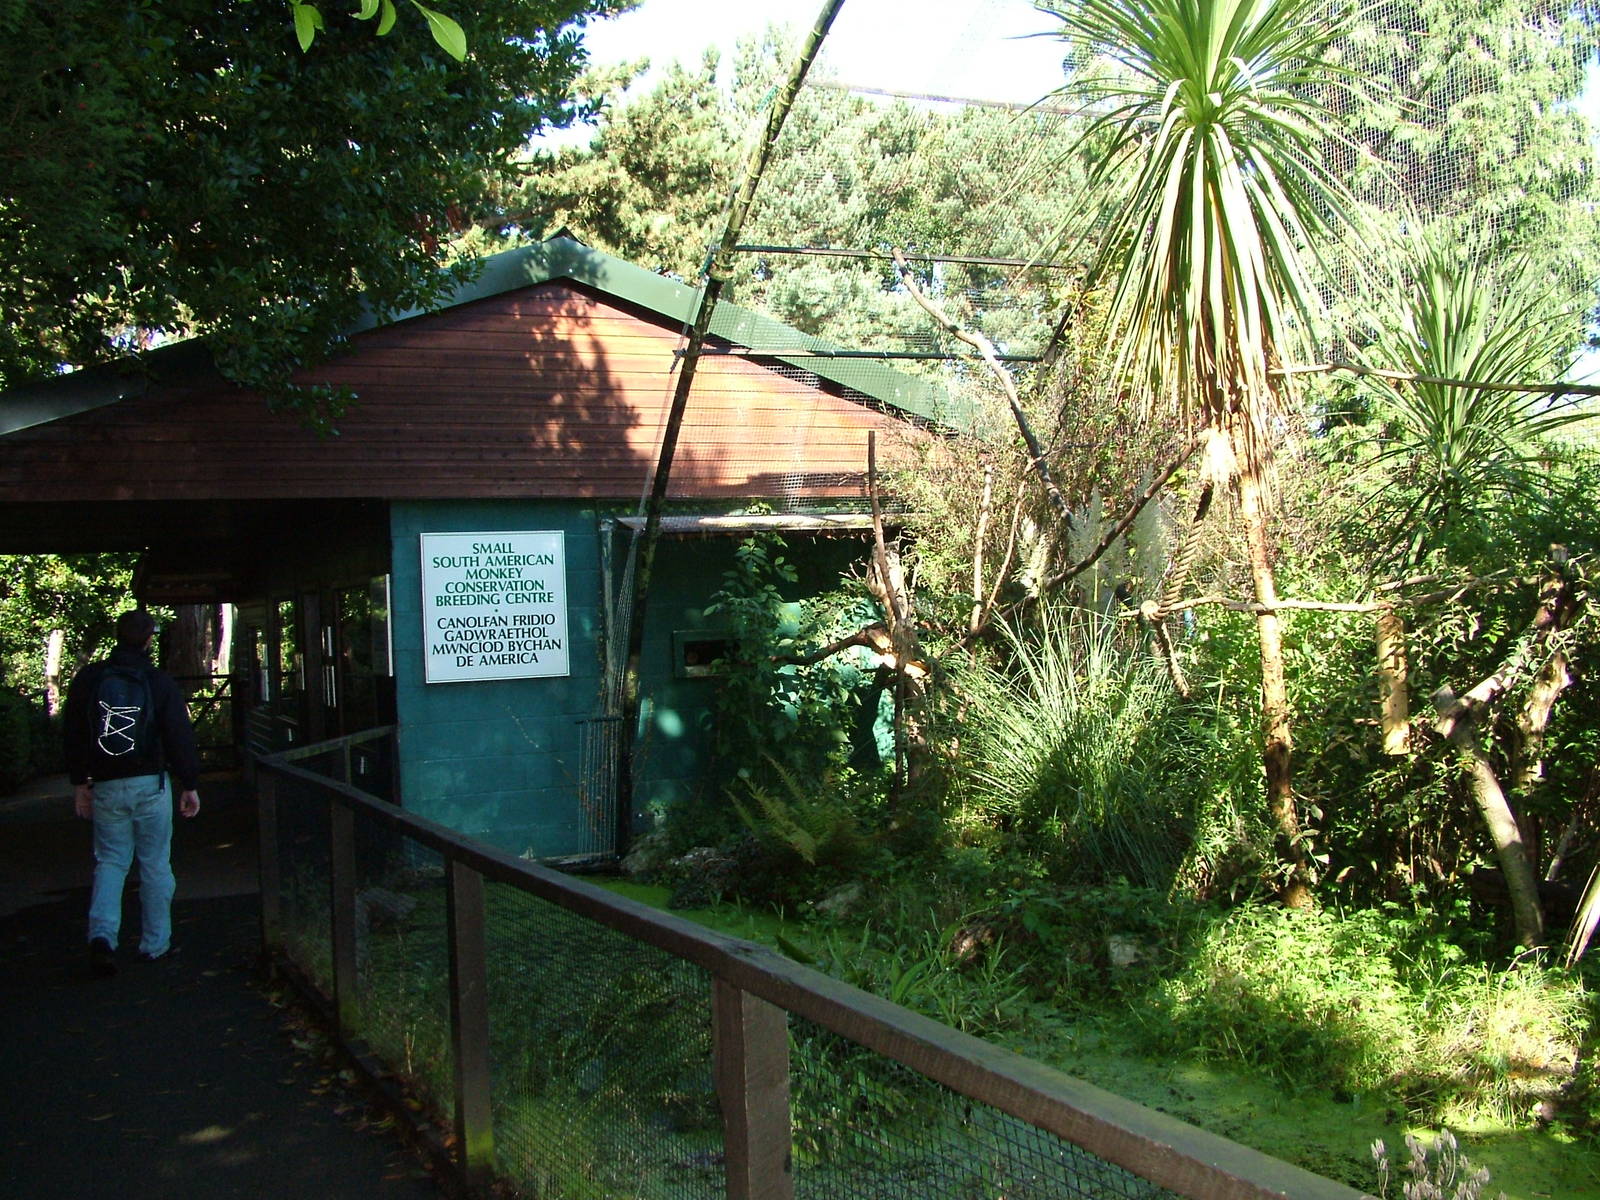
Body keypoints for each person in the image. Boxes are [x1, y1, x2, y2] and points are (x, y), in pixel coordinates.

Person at [63, 609, 202, 976]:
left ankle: (103, 937)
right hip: (150, 784)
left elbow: (74, 732)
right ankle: (155, 944)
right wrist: (189, 783)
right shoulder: (158, 681)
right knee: (155, 862)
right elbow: (178, 734)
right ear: (148, 639)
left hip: (106, 784)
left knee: (111, 861)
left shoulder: (90, 679)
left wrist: (80, 783)